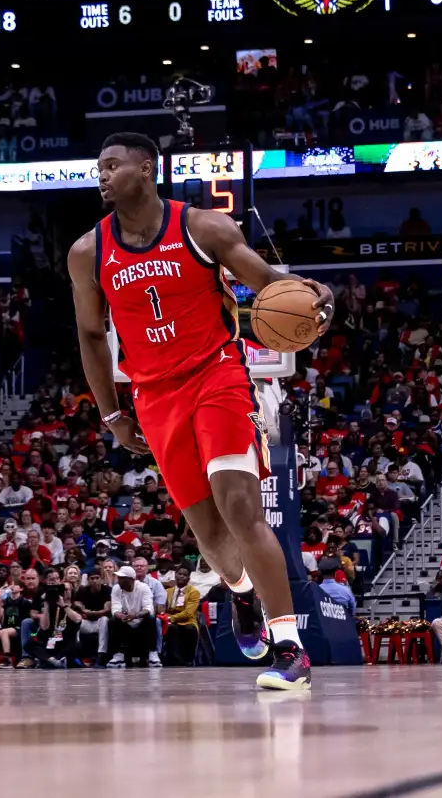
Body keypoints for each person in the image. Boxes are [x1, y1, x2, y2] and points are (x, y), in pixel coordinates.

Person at [69, 132, 334, 690]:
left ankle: (289, 650)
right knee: (207, 533)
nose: (103, 174)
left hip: (216, 374)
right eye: (100, 166)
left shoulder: (203, 227)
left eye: (113, 165)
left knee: (239, 504)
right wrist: (112, 414)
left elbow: (266, 283)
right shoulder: (88, 252)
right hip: (152, 394)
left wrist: (310, 291)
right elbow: (92, 337)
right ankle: (240, 595)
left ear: (146, 170)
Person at [105, 565, 158, 668]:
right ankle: (118, 655)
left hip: (141, 623)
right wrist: (122, 616)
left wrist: (136, 615)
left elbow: (148, 608)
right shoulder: (116, 588)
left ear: (130, 579)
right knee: (113, 620)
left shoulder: (144, 588)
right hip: (125, 623)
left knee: (151, 618)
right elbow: (115, 609)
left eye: (121, 578)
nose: (118, 581)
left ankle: (153, 653)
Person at [162, 566, 201, 666]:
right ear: (175, 575)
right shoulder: (168, 592)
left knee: (189, 629)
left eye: (185, 575)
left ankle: (188, 659)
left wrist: (171, 618)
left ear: (188, 578)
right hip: (171, 621)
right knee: (171, 629)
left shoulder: (194, 592)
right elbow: (163, 609)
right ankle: (176, 660)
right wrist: (166, 617)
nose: (182, 576)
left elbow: (188, 613)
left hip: (188, 620)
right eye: (180, 574)